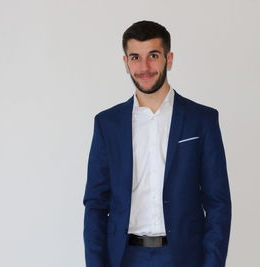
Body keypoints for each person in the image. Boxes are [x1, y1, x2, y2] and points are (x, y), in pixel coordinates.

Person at [83, 20, 232, 267]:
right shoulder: (107, 124)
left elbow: (218, 203)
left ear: (168, 59)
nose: (144, 67)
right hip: (124, 257)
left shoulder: (202, 120)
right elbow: (96, 204)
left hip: (183, 257)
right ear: (125, 63)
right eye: (135, 57)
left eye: (153, 55)